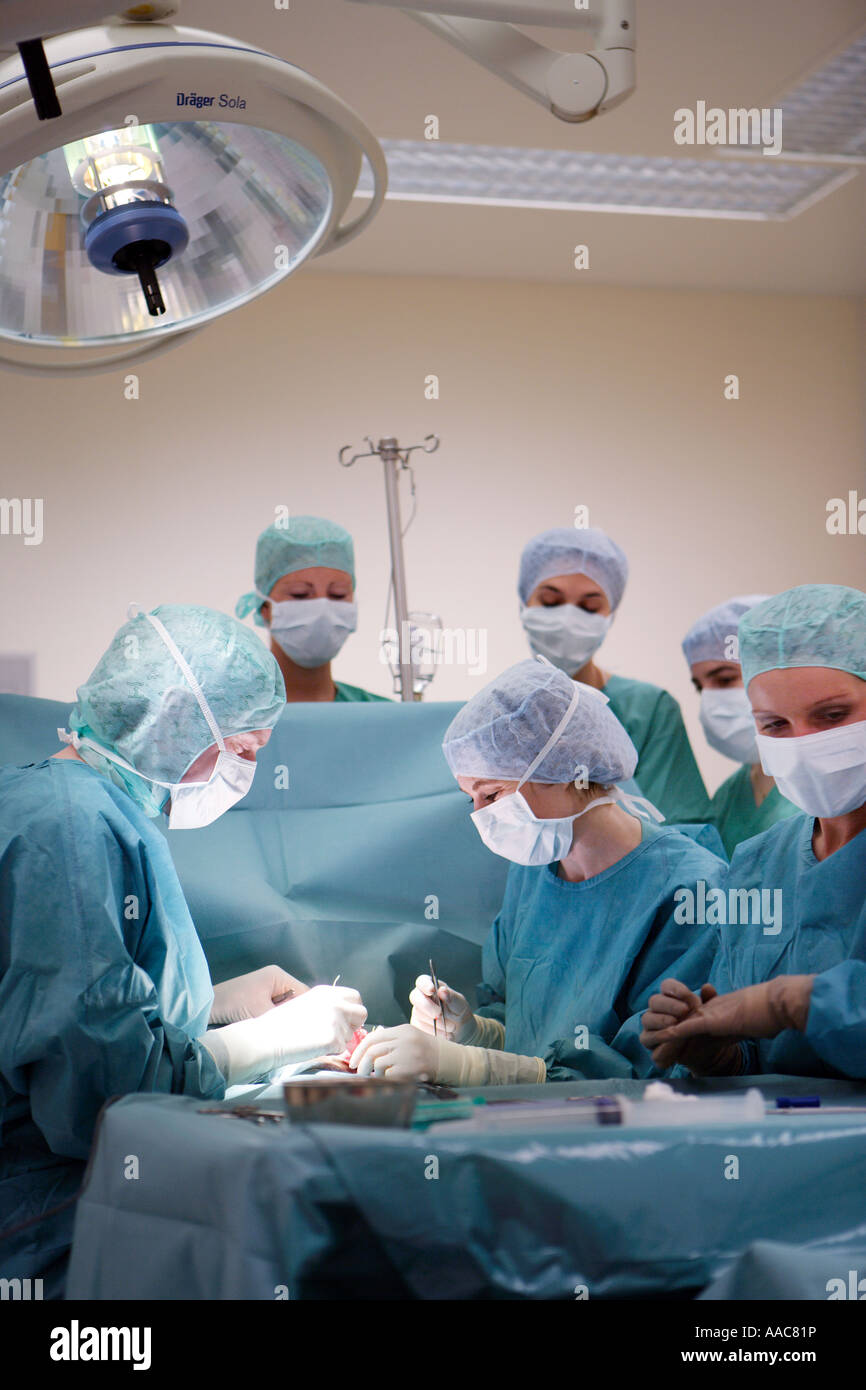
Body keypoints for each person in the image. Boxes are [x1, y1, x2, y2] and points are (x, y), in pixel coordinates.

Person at [0, 604, 365, 1295]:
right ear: (173, 721)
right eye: (246, 748)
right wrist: (257, 1046)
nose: (247, 769)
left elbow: (73, 1005)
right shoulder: (71, 831)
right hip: (46, 1227)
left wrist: (220, 1008)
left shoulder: (59, 805)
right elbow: (98, 1099)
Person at [351, 657, 724, 1085]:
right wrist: (473, 1033)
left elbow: (649, 1071)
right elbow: (527, 1031)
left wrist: (469, 1067)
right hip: (524, 1128)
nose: (480, 816)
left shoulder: (689, 894)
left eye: (491, 794)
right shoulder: (534, 874)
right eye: (469, 798)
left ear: (566, 770)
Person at [641, 584, 866, 1079]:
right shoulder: (757, 864)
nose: (804, 743)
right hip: (776, 1148)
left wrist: (793, 1001)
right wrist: (717, 1054)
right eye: (775, 724)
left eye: (833, 716)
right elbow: (760, 1054)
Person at [517, 527, 709, 823]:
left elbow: (682, 835)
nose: (568, 618)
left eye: (589, 607)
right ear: (523, 604)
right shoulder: (504, 714)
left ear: (610, 617)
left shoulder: (647, 710)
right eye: (551, 602)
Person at [682, 594, 798, 856]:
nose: (710, 699)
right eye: (700, 687)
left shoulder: (832, 777)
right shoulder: (732, 793)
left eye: (724, 679)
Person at [236, 516, 390, 703]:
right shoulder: (231, 718)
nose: (322, 609)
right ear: (264, 608)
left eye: (338, 594)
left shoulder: (382, 715)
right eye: (300, 594)